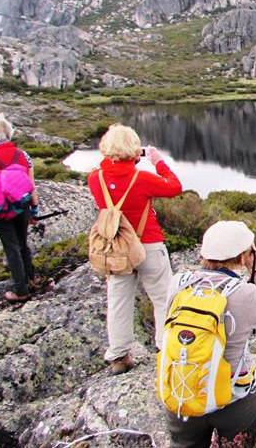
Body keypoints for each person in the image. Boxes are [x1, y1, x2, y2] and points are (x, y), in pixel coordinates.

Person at [165, 221, 256, 448]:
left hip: (184, 392)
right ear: (242, 258)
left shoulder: (178, 283)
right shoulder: (244, 293)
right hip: (233, 402)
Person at [87, 124, 182, 374]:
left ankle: (119, 356)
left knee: (118, 300)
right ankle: (164, 350)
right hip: (148, 245)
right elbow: (174, 186)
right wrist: (159, 162)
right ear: (134, 150)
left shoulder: (94, 178)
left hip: (117, 248)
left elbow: (110, 183)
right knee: (163, 299)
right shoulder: (142, 179)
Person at [0, 113, 41, 303]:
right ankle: (31, 280)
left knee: (11, 249)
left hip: (1, 213)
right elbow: (31, 186)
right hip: (22, 208)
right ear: (9, 133)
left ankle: (20, 290)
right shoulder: (23, 156)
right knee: (23, 244)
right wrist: (34, 210)